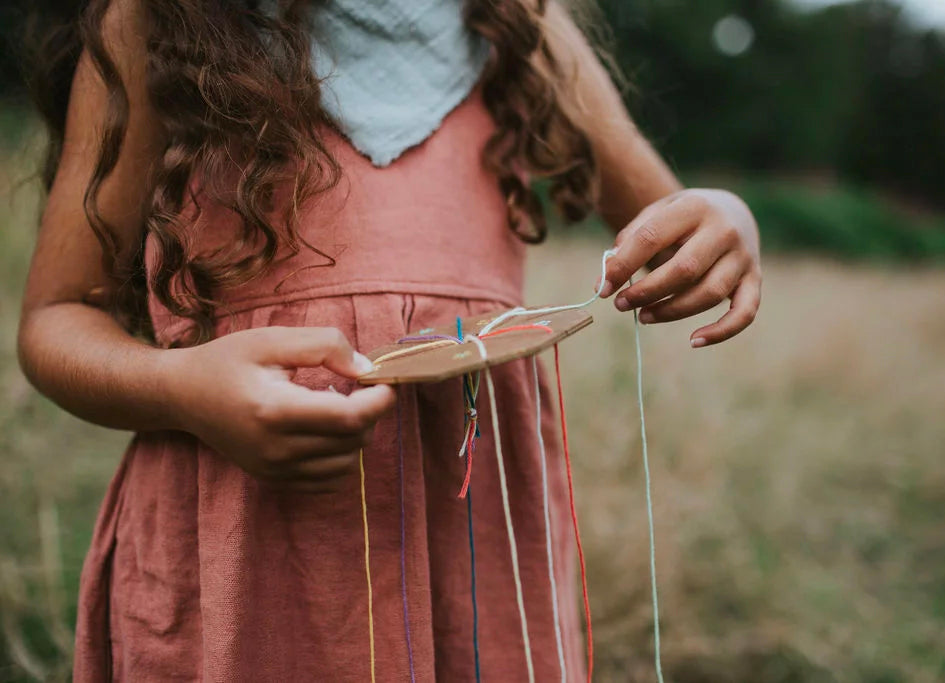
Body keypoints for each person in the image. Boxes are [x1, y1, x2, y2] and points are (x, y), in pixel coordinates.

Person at [17, 0, 762, 680]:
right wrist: (184, 389)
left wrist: (726, 215)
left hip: (476, 569)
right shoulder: (157, 21)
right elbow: (54, 320)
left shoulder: (518, 21)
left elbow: (675, 223)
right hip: (247, 572)